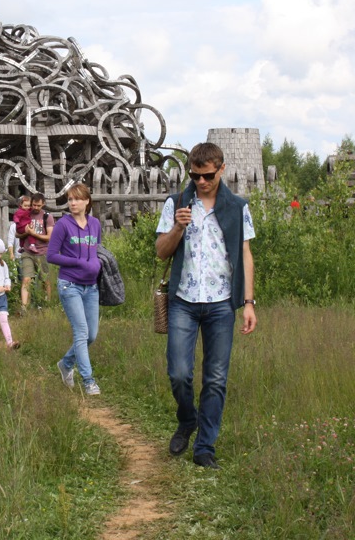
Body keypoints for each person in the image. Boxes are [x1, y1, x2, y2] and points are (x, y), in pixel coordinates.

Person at [155, 142, 257, 469]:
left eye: (208, 175)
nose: (201, 182)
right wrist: (178, 226)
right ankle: (187, 419)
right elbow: (160, 251)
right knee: (179, 372)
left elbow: (245, 255)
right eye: (195, 175)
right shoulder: (176, 203)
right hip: (183, 300)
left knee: (215, 378)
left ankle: (204, 448)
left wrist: (249, 303)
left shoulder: (238, 207)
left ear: (221, 169)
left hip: (221, 304)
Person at [47, 183, 102, 396]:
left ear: (87, 201)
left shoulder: (95, 224)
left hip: (92, 287)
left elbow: (96, 250)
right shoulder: (63, 225)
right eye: (70, 199)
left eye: (77, 199)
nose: (72, 203)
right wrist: (78, 263)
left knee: (92, 335)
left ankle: (66, 364)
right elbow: (51, 256)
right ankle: (88, 381)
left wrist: (96, 264)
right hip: (70, 285)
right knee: (81, 332)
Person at [17, 192, 54, 310]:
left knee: (45, 281)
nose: (36, 208)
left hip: (42, 252)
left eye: (38, 205)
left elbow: (49, 237)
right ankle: (24, 307)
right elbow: (17, 234)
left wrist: (34, 234)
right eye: (34, 205)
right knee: (26, 279)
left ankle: (46, 303)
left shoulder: (47, 217)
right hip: (27, 252)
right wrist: (26, 233)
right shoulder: (26, 214)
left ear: (43, 204)